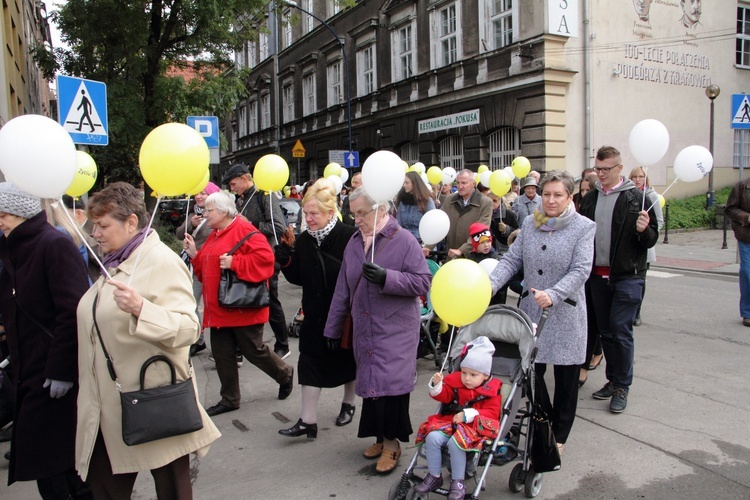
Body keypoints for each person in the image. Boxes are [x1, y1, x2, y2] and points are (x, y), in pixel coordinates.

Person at [75, 182, 220, 498]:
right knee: (104, 487)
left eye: (102, 226)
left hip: (154, 400)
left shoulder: (160, 261)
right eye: (93, 226)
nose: (95, 234)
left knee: (171, 488)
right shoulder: (114, 261)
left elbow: (188, 329)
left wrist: (143, 309)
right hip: (107, 406)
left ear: (130, 222)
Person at [323, 187, 432, 474]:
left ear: (381, 210)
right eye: (353, 213)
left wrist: (388, 278)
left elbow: (423, 283)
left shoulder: (404, 240)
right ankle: (381, 439)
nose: (356, 219)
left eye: (362, 213)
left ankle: (393, 445)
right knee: (373, 386)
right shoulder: (354, 243)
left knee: (391, 388)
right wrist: (332, 328)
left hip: (396, 329)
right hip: (366, 327)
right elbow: (342, 289)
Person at [489, 170, 595, 453]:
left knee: (566, 379)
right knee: (530, 373)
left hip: (565, 313)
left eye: (558, 194)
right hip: (530, 313)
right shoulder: (529, 222)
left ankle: (558, 437)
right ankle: (542, 420)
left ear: (569, 197)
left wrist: (555, 294)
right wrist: (488, 284)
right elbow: (512, 260)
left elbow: (581, 269)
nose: (550, 200)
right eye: (546, 194)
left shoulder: (584, 227)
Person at [0, 183, 92, 498]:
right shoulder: (12, 246)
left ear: (24, 211)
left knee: (60, 464)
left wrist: (61, 370)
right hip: (29, 372)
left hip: (54, 374)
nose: (0, 220)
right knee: (52, 465)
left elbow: (73, 311)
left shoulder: (53, 244)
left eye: (5, 213)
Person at [184, 190, 295, 417]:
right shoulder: (215, 233)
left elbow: (266, 261)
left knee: (254, 350)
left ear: (224, 211)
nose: (205, 214)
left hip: (241, 306)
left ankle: (285, 374)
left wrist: (236, 262)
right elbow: (207, 272)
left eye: (209, 210)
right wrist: (195, 255)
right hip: (220, 308)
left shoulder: (243, 229)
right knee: (223, 354)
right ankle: (230, 399)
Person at [275, 179, 358, 438]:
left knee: (348, 362)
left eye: (314, 214)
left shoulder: (348, 237)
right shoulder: (304, 241)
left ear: (330, 213)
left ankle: (349, 403)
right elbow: (300, 277)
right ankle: (307, 421)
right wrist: (286, 260)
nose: (308, 219)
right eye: (306, 214)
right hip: (313, 314)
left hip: (344, 315)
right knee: (309, 362)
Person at [579, 146, 658, 414]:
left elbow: (651, 239)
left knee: (621, 330)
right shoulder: (590, 199)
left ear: (619, 169)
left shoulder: (638, 198)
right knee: (607, 331)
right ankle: (613, 380)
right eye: (597, 169)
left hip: (627, 276)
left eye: (606, 169)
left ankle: (622, 386)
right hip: (597, 278)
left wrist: (644, 230)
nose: (600, 174)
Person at [412, 336, 502, 500]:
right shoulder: (459, 384)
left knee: (456, 442)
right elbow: (445, 397)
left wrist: (468, 415)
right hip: (452, 423)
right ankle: (434, 476)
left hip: (476, 428)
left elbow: (492, 414)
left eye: (473, 375)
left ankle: (458, 482)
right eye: (464, 373)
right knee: (432, 436)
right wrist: (436, 385)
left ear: (485, 376)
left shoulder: (492, 392)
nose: (467, 378)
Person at [222, 163, 290, 360]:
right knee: (250, 300)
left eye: (234, 184)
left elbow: (278, 226)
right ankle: (242, 348)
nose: (232, 189)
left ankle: (283, 344)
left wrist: (249, 224)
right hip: (250, 258)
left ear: (245, 178)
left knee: (271, 300)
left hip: (267, 257)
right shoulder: (244, 199)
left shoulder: (264, 196)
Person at [176, 181, 222, 356]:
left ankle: (223, 344)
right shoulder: (194, 212)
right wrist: (191, 225)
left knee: (215, 304)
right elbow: (179, 234)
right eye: (197, 193)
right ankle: (198, 340)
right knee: (192, 302)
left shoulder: (218, 213)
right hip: (194, 266)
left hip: (212, 265)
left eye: (203, 193)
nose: (199, 196)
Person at [423, 169, 492, 260]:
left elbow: (480, 233)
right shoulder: (449, 200)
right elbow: (439, 226)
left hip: (473, 257)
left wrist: (462, 250)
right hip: (451, 256)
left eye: (464, 183)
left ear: (473, 184)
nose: (460, 186)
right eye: (458, 183)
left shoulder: (485, 203)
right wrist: (428, 246)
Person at [629, 167, 664, 326]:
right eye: (635, 176)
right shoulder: (627, 195)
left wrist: (647, 232)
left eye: (641, 176)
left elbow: (659, 222)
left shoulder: (651, 196)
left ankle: (637, 312)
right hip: (628, 246)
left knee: (640, 281)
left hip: (644, 247)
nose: (638, 179)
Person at [724, 177, 750, 326]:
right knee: (747, 272)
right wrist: (746, 217)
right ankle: (747, 312)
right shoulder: (742, 186)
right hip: (746, 237)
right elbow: (730, 209)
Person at [395, 171, 436, 243]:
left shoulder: (427, 201)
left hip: (422, 242)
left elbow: (432, 225)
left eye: (407, 183)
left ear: (414, 183)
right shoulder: (402, 201)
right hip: (406, 241)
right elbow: (399, 224)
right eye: (403, 183)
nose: (404, 185)